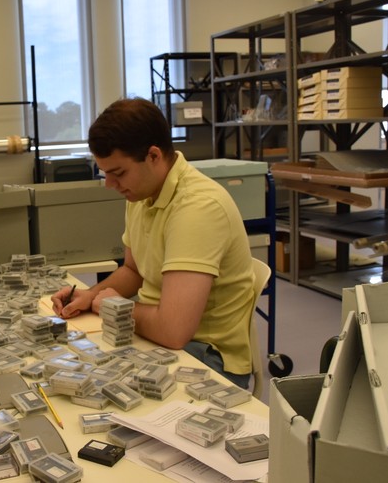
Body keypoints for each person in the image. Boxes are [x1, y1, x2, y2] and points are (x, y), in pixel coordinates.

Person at [51, 97, 256, 388]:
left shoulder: (198, 208)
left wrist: (111, 306)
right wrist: (90, 295)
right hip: (157, 335)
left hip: (206, 355)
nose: (110, 185)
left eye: (118, 173)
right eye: (105, 173)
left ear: (154, 156)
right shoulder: (141, 191)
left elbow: (173, 330)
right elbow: (134, 271)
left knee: (102, 393)